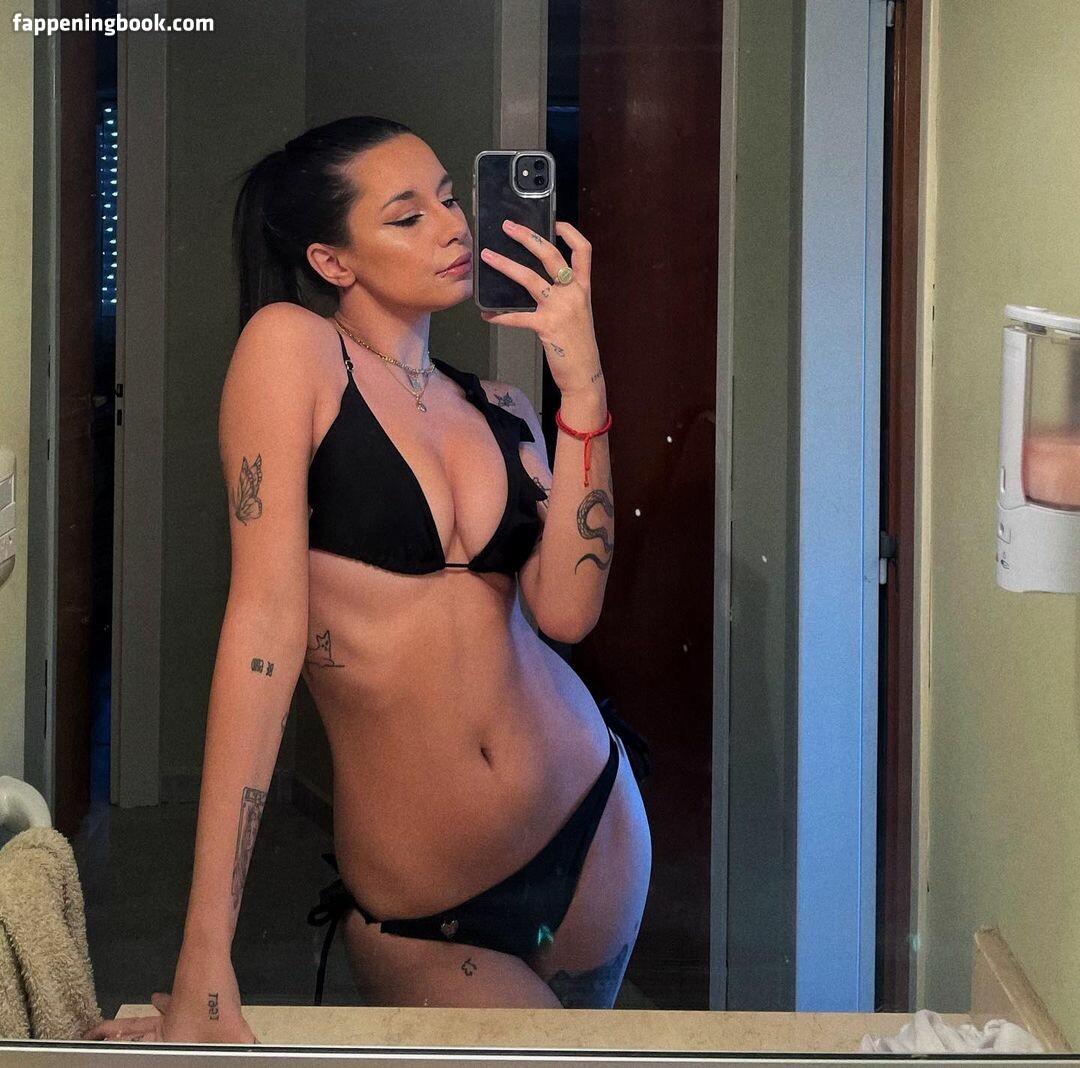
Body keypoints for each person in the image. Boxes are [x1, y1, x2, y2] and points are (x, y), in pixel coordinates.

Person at [86, 116, 651, 1044]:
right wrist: (204, 953)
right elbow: (263, 633)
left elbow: (568, 611)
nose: (452, 226)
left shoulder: (504, 407)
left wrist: (582, 387)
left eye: (450, 199)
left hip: (595, 825)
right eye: (406, 215)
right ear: (332, 260)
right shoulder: (292, 351)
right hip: (429, 908)